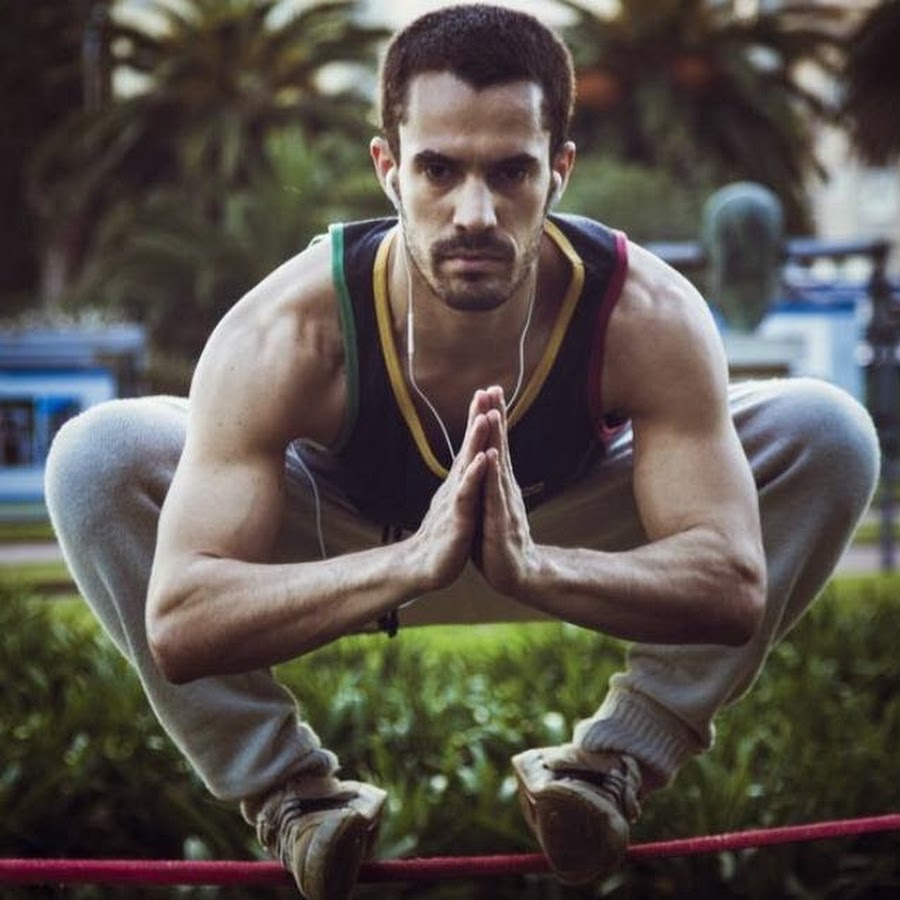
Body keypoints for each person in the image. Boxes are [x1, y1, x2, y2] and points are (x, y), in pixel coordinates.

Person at [45, 4, 880, 899]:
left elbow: (731, 587)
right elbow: (180, 623)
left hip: (564, 527)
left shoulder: (647, 313)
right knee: (97, 456)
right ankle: (294, 798)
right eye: (438, 169)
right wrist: (409, 561)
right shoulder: (284, 330)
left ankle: (608, 768)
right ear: (388, 169)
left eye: (511, 171)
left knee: (828, 430)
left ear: (559, 171)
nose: (474, 213)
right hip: (346, 535)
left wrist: (536, 566)